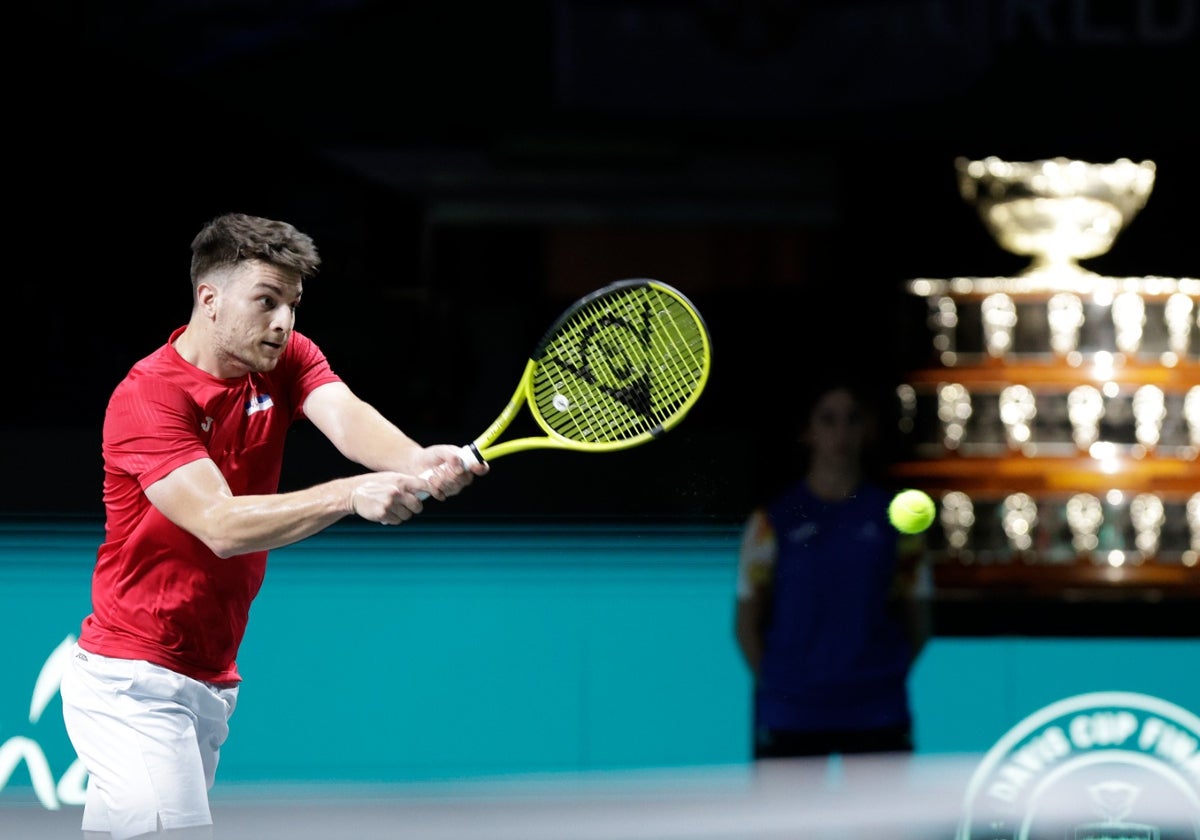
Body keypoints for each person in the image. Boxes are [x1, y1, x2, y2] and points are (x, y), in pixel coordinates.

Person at [59, 212, 489, 840]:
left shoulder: (283, 360)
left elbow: (346, 417)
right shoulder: (148, 397)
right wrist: (349, 495)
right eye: (266, 301)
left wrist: (416, 460)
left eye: (292, 303)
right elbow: (222, 525)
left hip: (205, 677)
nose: (283, 321)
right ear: (210, 299)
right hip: (135, 684)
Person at [734, 374, 930, 762]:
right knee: (786, 826)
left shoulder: (899, 520)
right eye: (828, 419)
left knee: (884, 826)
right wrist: (786, 688)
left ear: (867, 430)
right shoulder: (771, 522)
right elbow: (745, 625)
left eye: (852, 418)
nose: (841, 431)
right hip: (790, 715)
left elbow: (920, 624)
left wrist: (875, 680)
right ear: (808, 432)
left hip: (876, 712)